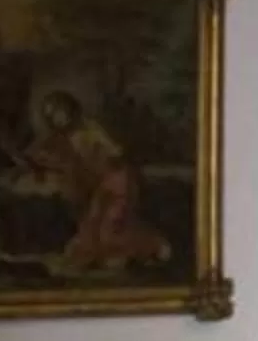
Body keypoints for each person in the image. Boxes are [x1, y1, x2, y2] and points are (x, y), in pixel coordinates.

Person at [13, 88, 171, 273]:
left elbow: (114, 157)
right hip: (101, 187)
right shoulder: (60, 138)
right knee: (91, 228)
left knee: (111, 228)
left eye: (58, 111)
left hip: (118, 183)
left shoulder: (89, 129)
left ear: (70, 109)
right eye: (50, 115)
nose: (56, 118)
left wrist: (95, 170)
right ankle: (111, 258)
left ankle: (155, 248)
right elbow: (37, 154)